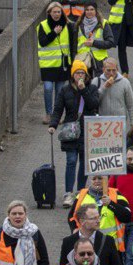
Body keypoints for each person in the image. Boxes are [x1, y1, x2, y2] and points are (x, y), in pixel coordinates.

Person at [50, 60, 101, 206]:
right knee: (71, 161)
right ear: (73, 74)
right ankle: (68, 193)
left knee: (84, 163)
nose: (80, 75)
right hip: (71, 131)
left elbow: (94, 105)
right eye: (78, 73)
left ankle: (80, 192)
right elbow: (58, 108)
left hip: (87, 130)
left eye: (82, 73)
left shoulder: (91, 88)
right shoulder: (65, 90)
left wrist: (83, 90)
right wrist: (53, 124)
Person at [38, 2, 72, 123]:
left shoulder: (68, 25)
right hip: (47, 64)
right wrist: (54, 33)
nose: (57, 14)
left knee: (59, 91)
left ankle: (57, 115)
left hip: (62, 64)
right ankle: (48, 114)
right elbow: (43, 42)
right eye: (54, 12)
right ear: (49, 13)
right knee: (47, 88)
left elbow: (72, 44)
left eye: (59, 12)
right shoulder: (43, 25)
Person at [94, 58, 133, 126]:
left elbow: (131, 105)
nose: (111, 73)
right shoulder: (96, 81)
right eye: (108, 70)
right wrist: (104, 87)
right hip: (101, 124)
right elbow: (92, 102)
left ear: (117, 69)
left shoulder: (125, 82)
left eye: (114, 70)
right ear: (103, 69)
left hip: (119, 124)